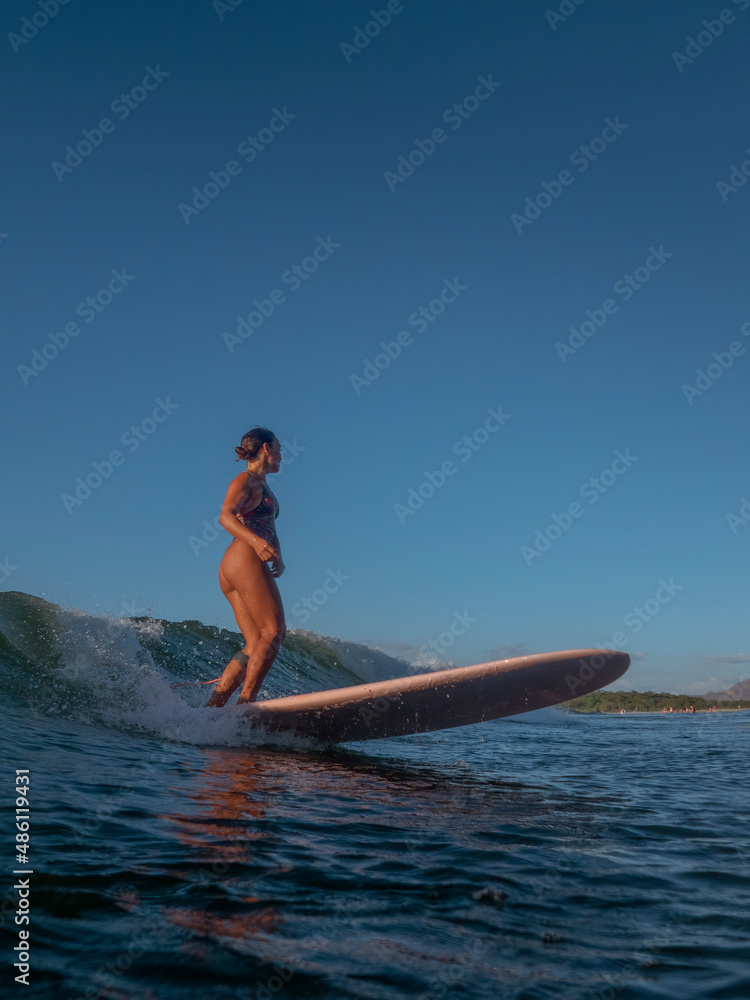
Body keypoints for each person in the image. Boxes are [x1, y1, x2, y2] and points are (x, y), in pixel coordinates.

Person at [206, 428, 286, 707]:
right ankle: (245, 707)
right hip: (243, 556)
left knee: (255, 644)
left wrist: (277, 551)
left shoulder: (263, 485)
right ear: (267, 448)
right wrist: (257, 543)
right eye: (279, 448)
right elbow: (225, 516)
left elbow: (266, 523)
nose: (281, 455)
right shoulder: (246, 479)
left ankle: (212, 711)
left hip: (235, 562)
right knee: (274, 631)